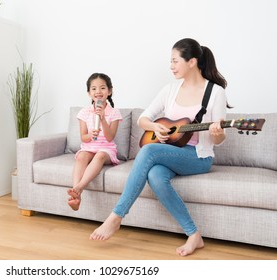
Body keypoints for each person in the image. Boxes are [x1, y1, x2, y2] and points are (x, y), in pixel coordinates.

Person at [90, 38, 230, 256]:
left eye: (175, 61)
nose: (171, 66)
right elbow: (142, 119)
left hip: (198, 157)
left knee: (147, 151)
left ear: (191, 62)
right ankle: (194, 235)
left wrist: (218, 134)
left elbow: (218, 139)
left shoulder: (215, 92)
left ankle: (116, 217)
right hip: (172, 153)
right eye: (170, 61)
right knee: (155, 176)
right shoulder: (170, 90)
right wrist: (155, 127)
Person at [67, 73, 122, 211]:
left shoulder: (114, 113)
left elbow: (110, 138)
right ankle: (76, 197)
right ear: (89, 93)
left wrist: (102, 119)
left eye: (102, 88)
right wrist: (90, 135)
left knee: (100, 155)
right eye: (94, 89)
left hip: (106, 150)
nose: (98, 92)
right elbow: (83, 138)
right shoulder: (84, 112)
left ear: (109, 91)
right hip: (89, 147)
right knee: (81, 156)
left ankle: (79, 187)